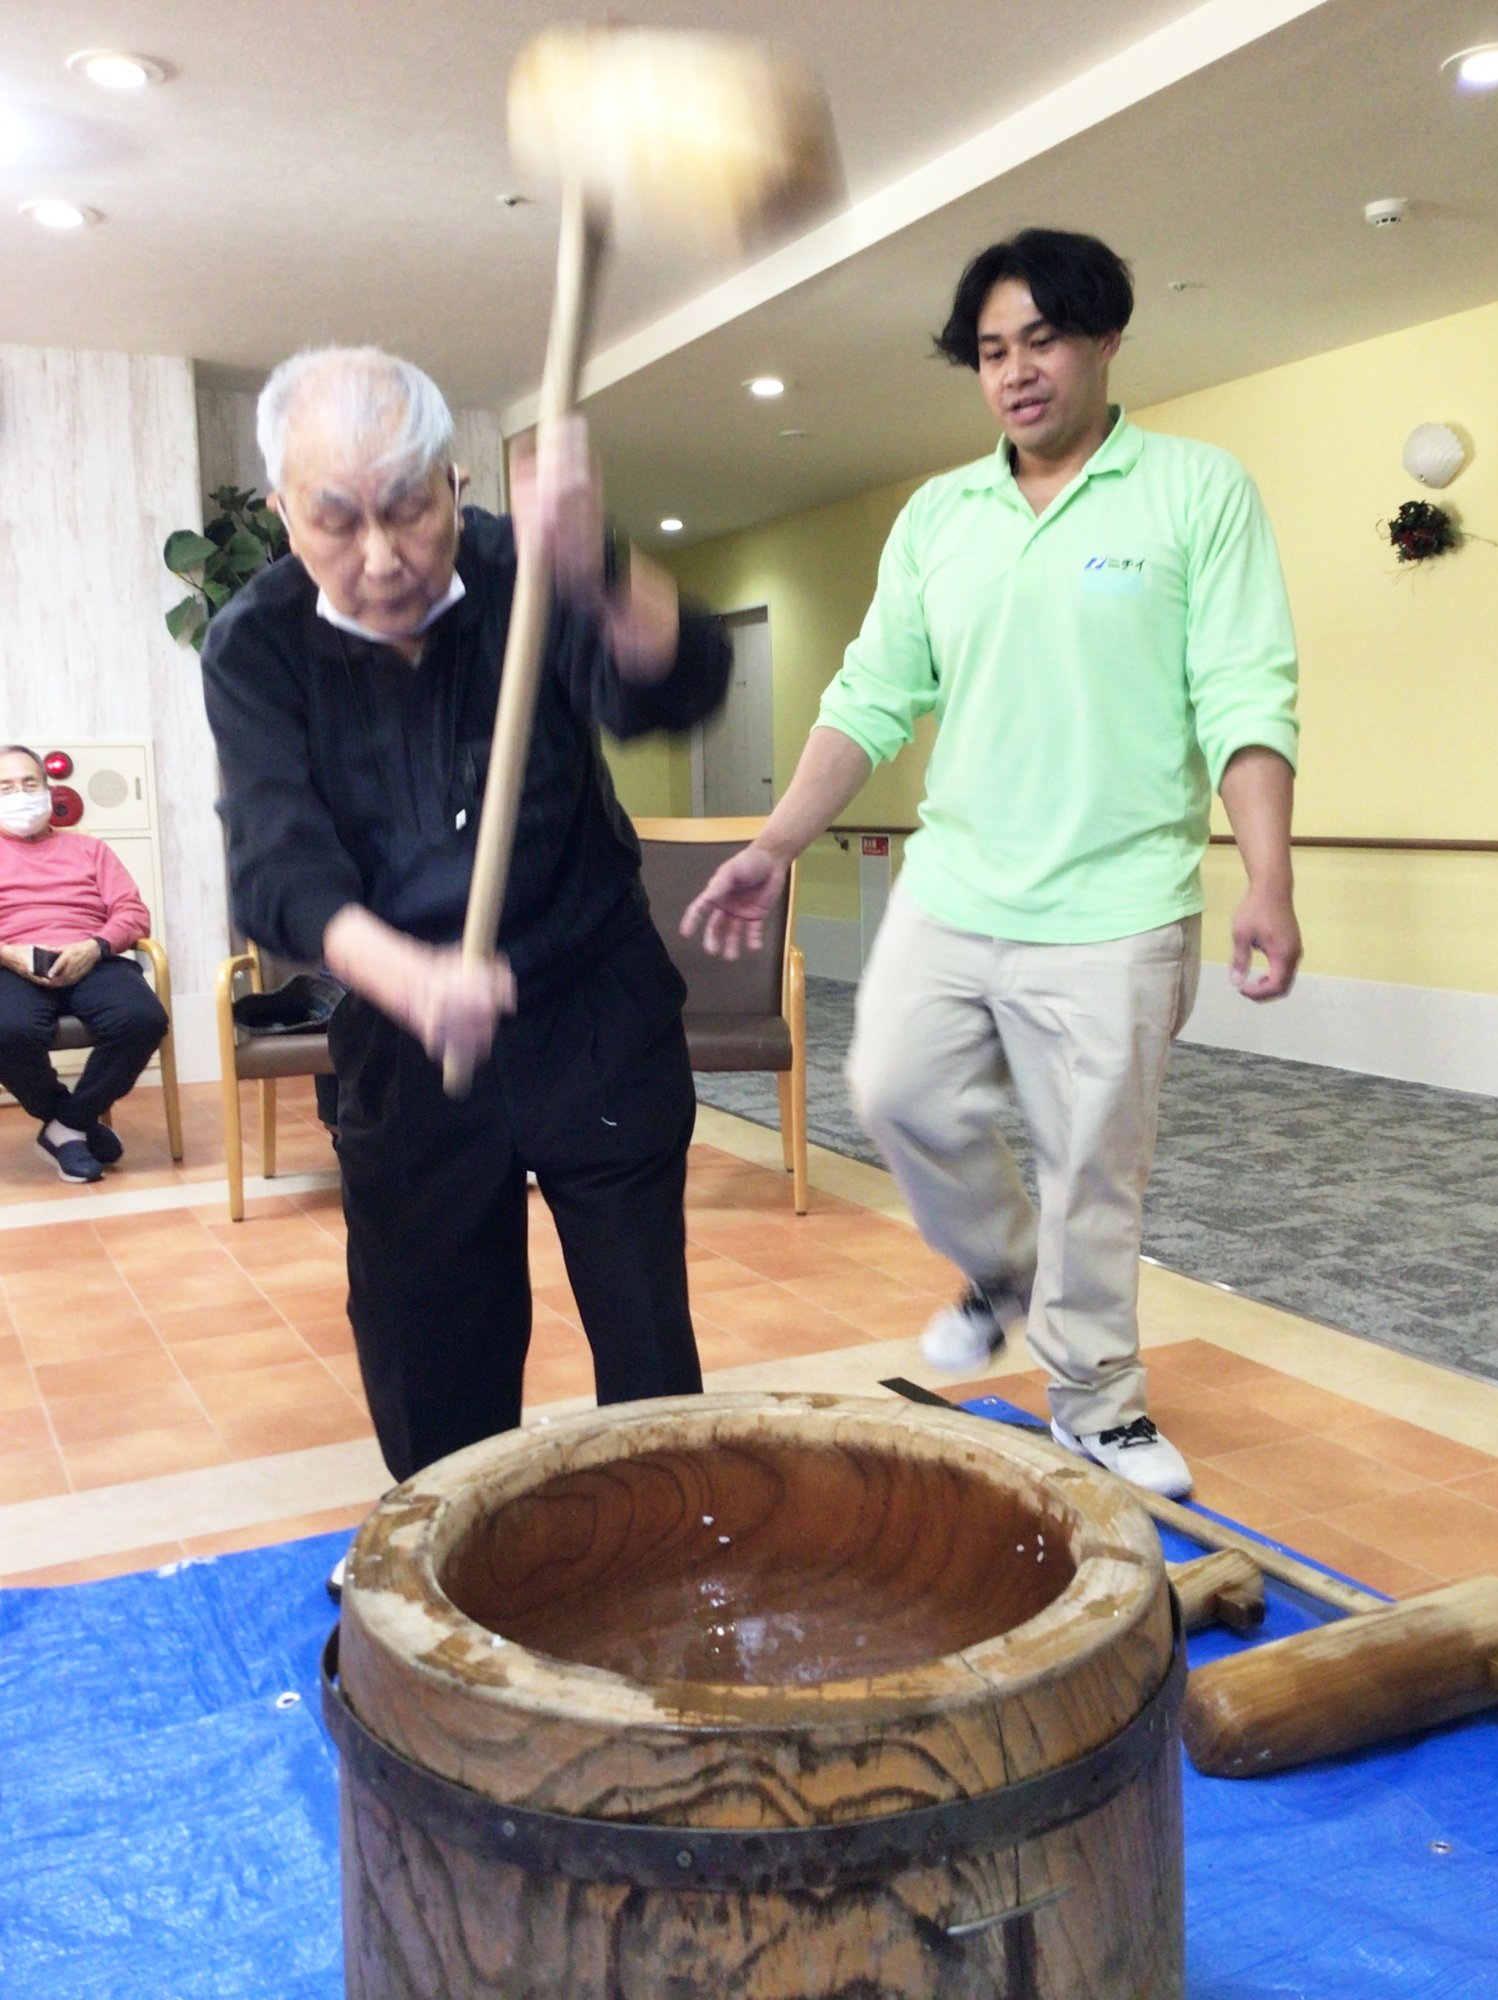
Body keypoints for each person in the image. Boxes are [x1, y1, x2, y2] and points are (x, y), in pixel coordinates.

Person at [683, 229, 1301, 1499]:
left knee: (1093, 1169)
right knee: (895, 1084)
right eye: (990, 351)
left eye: (1042, 340)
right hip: (956, 887)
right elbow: (870, 695)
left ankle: (1100, 1401)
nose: (1016, 372)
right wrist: (774, 841)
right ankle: (999, 1264)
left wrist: (1269, 877)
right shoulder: (939, 514)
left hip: (1120, 902)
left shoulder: (1195, 490)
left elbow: (1247, 692)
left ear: (1106, 340)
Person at [201, 346, 730, 1490]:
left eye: (407, 509)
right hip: (403, 1021)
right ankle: (454, 1564)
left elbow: (673, 686)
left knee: (646, 1342)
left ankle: (667, 1555)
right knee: (431, 1345)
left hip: (590, 996)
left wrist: (601, 568)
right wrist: (407, 977)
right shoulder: (254, 643)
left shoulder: (524, 571)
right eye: (335, 519)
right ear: (287, 511)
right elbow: (277, 864)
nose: (380, 556)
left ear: (454, 483)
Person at [0, 745, 168, 1183]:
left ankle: (66, 1126)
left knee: (143, 1018)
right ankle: (72, 1122)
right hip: (11, 962)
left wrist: (95, 946)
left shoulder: (89, 849)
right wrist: (8, 953)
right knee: (6, 1030)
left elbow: (133, 913)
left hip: (91, 957)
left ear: (48, 789)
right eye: (6, 787)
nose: (20, 794)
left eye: (29, 784)